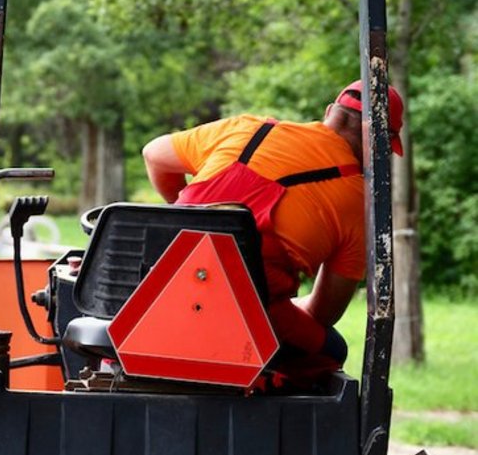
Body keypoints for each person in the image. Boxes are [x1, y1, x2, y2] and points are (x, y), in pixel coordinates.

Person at [141, 80, 404, 377]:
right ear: (378, 142)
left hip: (157, 294)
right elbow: (322, 314)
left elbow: (153, 154)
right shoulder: (360, 204)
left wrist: (187, 215)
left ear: (330, 112)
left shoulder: (248, 128)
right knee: (332, 349)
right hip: (245, 319)